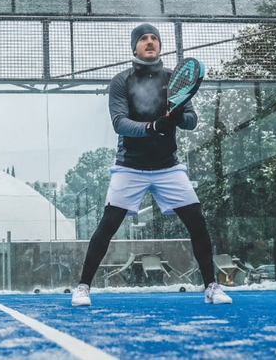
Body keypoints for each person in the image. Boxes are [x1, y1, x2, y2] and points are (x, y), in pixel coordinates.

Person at [72, 23, 232, 306]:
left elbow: (192, 121)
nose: (149, 42)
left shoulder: (174, 78)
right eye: (143, 39)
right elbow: (119, 123)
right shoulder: (121, 81)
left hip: (168, 167)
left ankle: (211, 287)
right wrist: (153, 126)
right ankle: (83, 287)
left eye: (154, 38)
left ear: (159, 46)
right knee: (108, 224)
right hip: (129, 167)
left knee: (197, 222)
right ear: (134, 47)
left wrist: (179, 115)